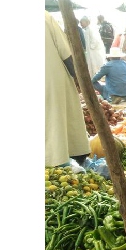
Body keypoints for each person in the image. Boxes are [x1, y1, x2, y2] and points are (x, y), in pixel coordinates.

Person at [45, 11, 90, 167]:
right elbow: (66, 52)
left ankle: (52, 160)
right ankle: (67, 158)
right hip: (51, 78)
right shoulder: (45, 17)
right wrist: (79, 79)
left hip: (50, 79)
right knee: (60, 118)